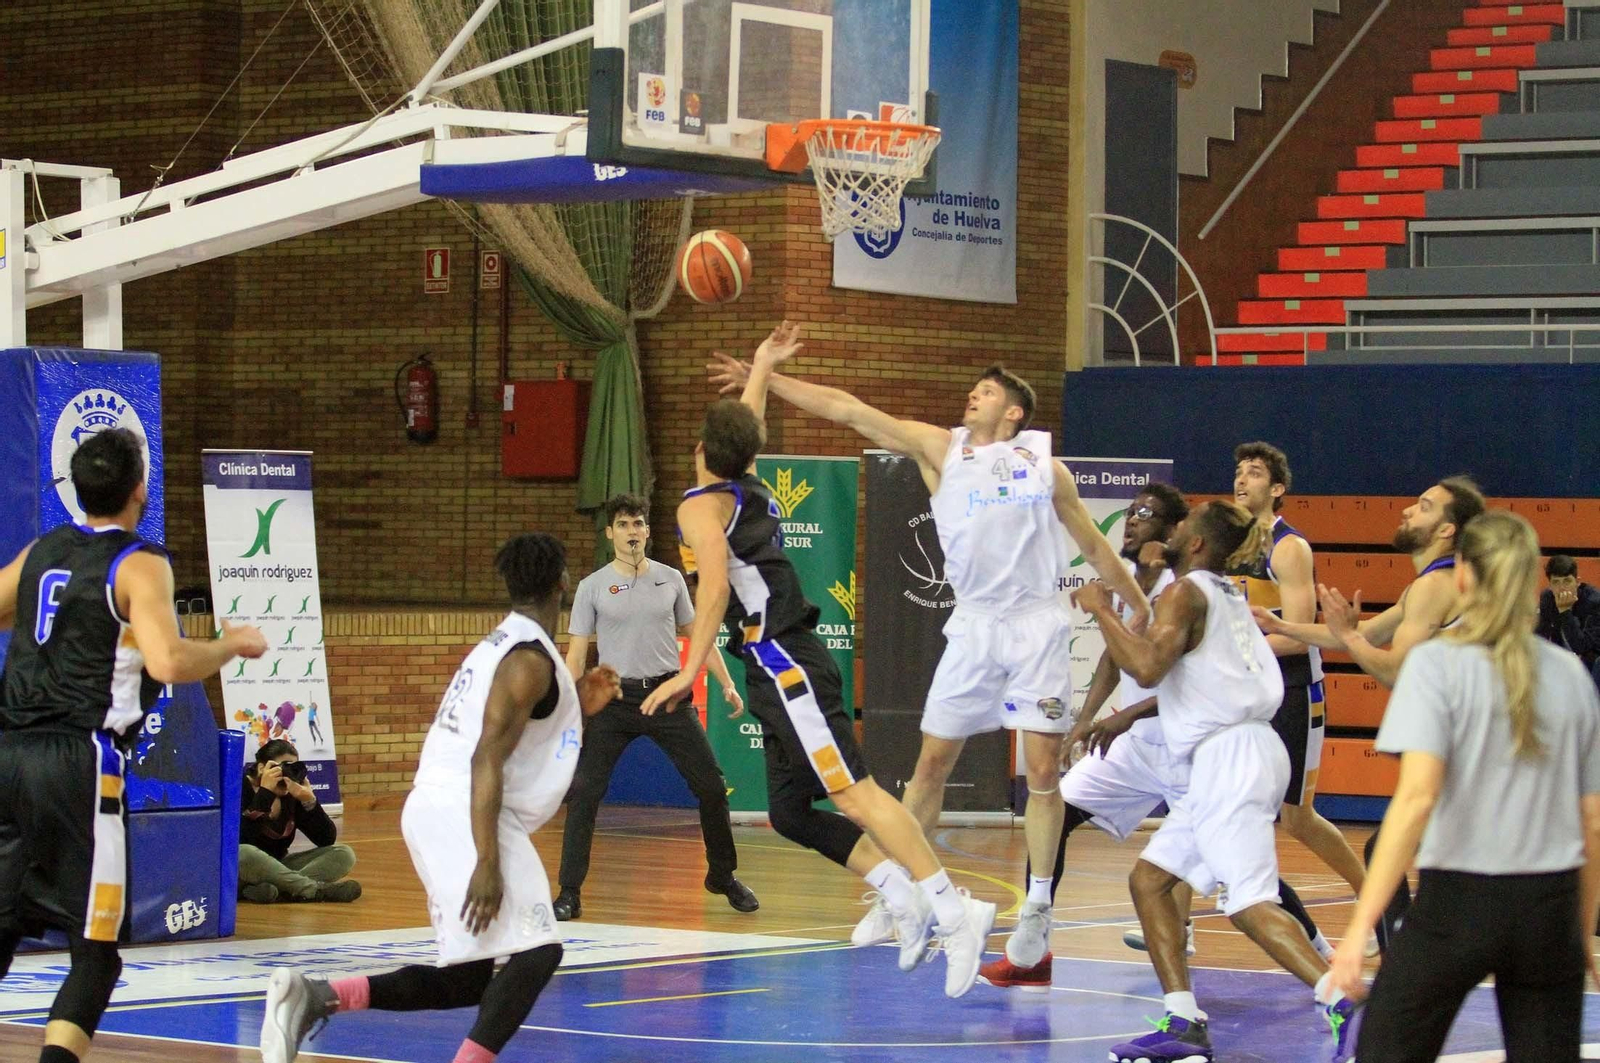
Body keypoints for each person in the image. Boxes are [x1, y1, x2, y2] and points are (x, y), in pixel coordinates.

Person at [709, 330, 1149, 968]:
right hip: (974, 626)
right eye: (974, 390)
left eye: (986, 392)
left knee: (1043, 772)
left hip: (1035, 625)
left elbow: (1093, 544)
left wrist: (1137, 601)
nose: (973, 396)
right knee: (930, 766)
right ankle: (904, 897)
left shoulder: (1044, 468)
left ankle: (1038, 905)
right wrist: (767, 375)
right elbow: (850, 410)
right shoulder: (942, 448)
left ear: (1014, 411)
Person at [650, 322, 996, 998]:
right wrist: (760, 365)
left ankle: (957, 911)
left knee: (854, 793)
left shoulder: (700, 509)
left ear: (699, 452)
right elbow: (748, 426)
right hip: (774, 661)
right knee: (789, 811)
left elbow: (713, 587)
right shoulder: (748, 483)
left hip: (785, 660)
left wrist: (690, 669)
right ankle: (898, 890)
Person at [259, 533, 621, 1063]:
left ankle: (315, 997)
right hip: (463, 808)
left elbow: (518, 730)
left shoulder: (509, 645)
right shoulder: (527, 660)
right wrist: (487, 862)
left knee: (467, 980)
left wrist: (577, 704)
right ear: (564, 582)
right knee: (539, 951)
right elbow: (486, 757)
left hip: (448, 805)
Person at [979, 485, 1332, 992]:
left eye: (1147, 514)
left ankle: (1326, 966)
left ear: (1179, 536)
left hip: (1202, 750)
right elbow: (1120, 657)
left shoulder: (1185, 587)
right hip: (1162, 744)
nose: (1132, 520)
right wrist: (1087, 719)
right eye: (1132, 510)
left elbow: (1157, 670)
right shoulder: (1171, 583)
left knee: (1242, 881)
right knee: (1068, 822)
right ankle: (1039, 948)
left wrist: (1103, 622)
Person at [0, 427, 268, 1063]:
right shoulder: (141, 563)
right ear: (140, 488)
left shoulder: (42, 551)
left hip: (9, 754)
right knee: (96, 954)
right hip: (80, 761)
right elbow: (168, 662)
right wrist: (231, 644)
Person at [1078, 501, 1361, 1063]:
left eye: (1183, 526)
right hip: (1239, 754)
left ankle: (1344, 1001)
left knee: (1249, 903)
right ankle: (1183, 1021)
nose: (1174, 529)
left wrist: (1100, 611)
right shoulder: (1227, 594)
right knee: (1151, 882)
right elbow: (1192, 683)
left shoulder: (1187, 594)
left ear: (1197, 543)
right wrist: (1126, 716)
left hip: (1230, 760)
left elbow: (1146, 668)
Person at [1328, 511, 1600, 1062]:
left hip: (1458, 905)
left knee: (1386, 1051)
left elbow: (1416, 800)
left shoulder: (1435, 665)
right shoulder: (1570, 673)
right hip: (1548, 908)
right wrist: (1581, 931)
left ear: (1462, 576)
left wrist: (1358, 930)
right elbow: (1591, 820)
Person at [1256, 475, 1486, 947]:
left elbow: (1397, 672)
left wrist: (1350, 637)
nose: (1408, 510)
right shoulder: (1429, 584)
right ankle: (1411, 950)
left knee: (1403, 854)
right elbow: (1364, 636)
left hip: (1471, 747)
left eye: (1424, 506)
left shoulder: (1435, 586)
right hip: (1467, 745)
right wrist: (1283, 627)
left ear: (1446, 530)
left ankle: (1409, 954)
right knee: (1411, 856)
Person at [553, 492, 756, 920]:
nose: (632, 532)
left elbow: (698, 636)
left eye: (638, 524)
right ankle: (569, 891)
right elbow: (576, 655)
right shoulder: (592, 587)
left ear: (647, 531)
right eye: (623, 525)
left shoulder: (671, 579)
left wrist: (726, 683)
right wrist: (568, 707)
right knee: (584, 790)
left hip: (668, 697)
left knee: (711, 787)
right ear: (610, 534)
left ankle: (723, 876)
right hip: (615, 701)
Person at [1227, 443, 1371, 933]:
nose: (1241, 479)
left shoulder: (1288, 547)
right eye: (1238, 471)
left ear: (1277, 488)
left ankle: (1374, 901)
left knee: (1297, 818)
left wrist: (1233, 657)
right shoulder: (1229, 543)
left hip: (1292, 689)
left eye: (1254, 472)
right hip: (1245, 693)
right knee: (1216, 802)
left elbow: (1298, 633)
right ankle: (1182, 923)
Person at [239, 740, 360, 904]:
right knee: (244, 852)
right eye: (283, 767)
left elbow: (326, 839)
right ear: (262, 768)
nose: (287, 774)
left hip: (279, 866)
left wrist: (309, 802)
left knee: (343, 854)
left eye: (293, 768)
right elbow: (241, 838)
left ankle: (277, 891)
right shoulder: (239, 788)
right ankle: (315, 891)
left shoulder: (291, 794)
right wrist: (265, 793)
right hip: (243, 869)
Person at [1536, 554, 1600, 678]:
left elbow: (1581, 648)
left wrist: (1565, 611)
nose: (1562, 588)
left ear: (1577, 582)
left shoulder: (1594, 602)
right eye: (1556, 582)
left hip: (1592, 664)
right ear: (1550, 585)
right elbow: (1540, 637)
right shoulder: (1548, 598)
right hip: (1562, 661)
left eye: (1567, 581)